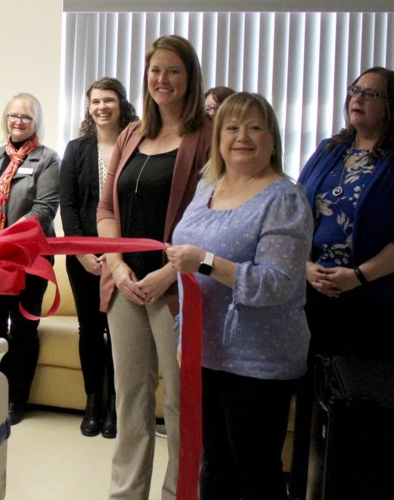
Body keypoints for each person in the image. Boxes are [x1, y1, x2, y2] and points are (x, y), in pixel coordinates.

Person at [167, 92, 312, 500]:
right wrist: (184, 337)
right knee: (214, 465)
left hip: (259, 360)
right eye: (231, 127)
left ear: (272, 138)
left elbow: (276, 283)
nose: (241, 137)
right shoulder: (206, 187)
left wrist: (207, 262)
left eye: (254, 127)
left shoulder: (284, 198)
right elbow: (185, 269)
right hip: (205, 351)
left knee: (256, 469)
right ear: (218, 137)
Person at [96, 34, 211, 500]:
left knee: (180, 404)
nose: (162, 80)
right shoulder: (131, 133)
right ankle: (126, 494)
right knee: (131, 403)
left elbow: (215, 214)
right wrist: (117, 264)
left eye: (173, 71)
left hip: (176, 290)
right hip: (125, 287)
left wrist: (169, 272)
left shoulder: (207, 136)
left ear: (190, 77)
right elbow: (106, 209)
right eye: (155, 70)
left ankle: (178, 493)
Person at [0, 92, 59, 425]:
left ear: (37, 123)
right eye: (13, 116)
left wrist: (5, 240)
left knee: (23, 329)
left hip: (28, 259)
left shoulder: (48, 159)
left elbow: (44, 209)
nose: (18, 122)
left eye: (26, 117)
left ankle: (15, 400)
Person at [59, 77, 138, 439]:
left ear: (121, 103)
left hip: (125, 257)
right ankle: (94, 402)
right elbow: (69, 204)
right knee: (90, 329)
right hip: (84, 257)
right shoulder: (77, 149)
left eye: (109, 100)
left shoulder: (137, 144)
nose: (102, 107)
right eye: (95, 101)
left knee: (121, 331)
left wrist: (115, 254)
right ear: (88, 107)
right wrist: (83, 250)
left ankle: (117, 408)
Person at [298, 66, 394, 359]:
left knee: (358, 393)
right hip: (313, 289)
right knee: (311, 388)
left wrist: (357, 276)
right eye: (355, 90)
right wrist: (306, 267)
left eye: (370, 93)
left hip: (372, 298)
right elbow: (295, 211)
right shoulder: (330, 149)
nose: (358, 98)